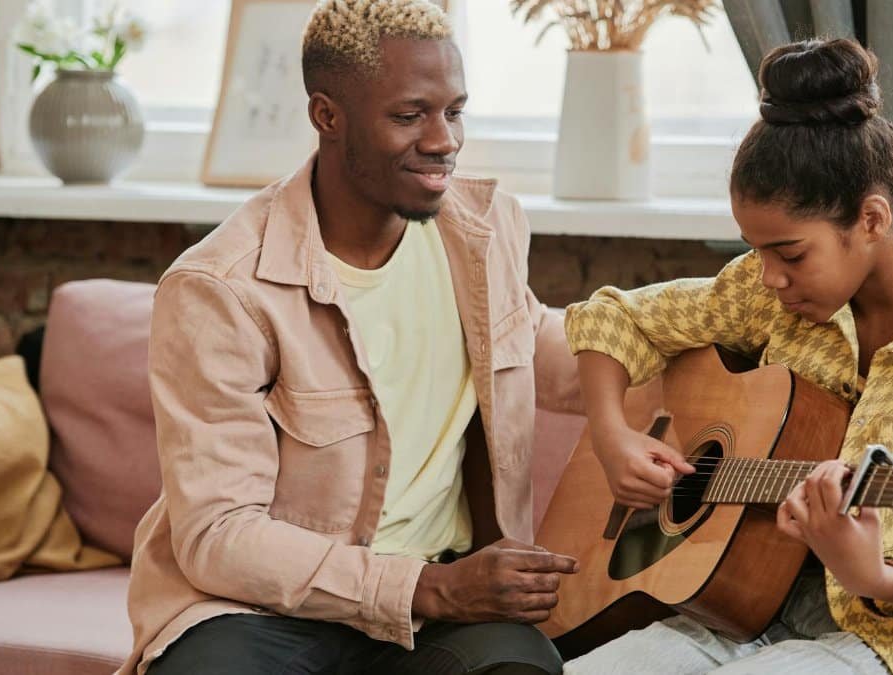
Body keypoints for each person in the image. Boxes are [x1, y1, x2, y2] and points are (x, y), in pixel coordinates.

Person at [562, 38, 893, 674]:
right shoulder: (769, 292)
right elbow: (613, 317)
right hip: (751, 614)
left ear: (873, 219)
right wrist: (613, 437)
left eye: (791, 254)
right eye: (756, 250)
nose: (768, 276)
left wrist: (879, 576)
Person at [116, 1, 581, 673]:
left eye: (454, 112)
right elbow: (219, 536)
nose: (443, 139)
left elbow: (540, 345)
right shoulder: (222, 288)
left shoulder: (484, 232)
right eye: (409, 115)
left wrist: (720, 328)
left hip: (436, 609)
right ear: (327, 116)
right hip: (260, 614)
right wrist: (428, 587)